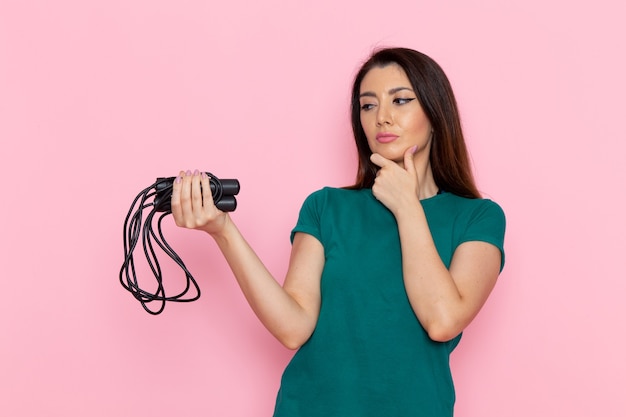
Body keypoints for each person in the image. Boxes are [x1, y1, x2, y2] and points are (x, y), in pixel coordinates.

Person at [170, 47, 506, 417]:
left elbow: (442, 320)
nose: (382, 118)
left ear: (435, 111)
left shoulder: (478, 217)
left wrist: (407, 206)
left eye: (401, 100)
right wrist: (223, 231)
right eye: (368, 105)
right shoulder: (326, 207)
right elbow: (293, 327)